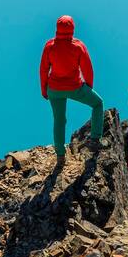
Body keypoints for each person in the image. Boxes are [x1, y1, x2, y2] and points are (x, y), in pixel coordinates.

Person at [39, 15, 104, 165]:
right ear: (72, 28)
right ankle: (95, 139)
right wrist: (88, 87)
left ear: (57, 28)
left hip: (54, 89)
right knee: (98, 104)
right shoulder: (78, 46)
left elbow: (43, 70)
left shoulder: (50, 46)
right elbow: (87, 69)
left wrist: (44, 90)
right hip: (75, 87)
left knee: (59, 120)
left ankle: (60, 156)